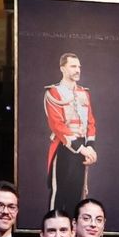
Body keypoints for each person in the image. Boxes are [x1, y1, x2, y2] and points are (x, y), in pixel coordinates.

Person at [45, 53, 98, 211]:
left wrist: (90, 147)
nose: (78, 70)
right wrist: (82, 149)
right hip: (63, 148)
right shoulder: (53, 92)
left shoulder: (84, 93)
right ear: (63, 68)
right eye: (73, 66)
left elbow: (91, 122)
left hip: (82, 148)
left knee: (77, 193)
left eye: (79, 66)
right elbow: (57, 125)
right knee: (60, 192)